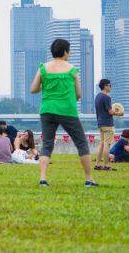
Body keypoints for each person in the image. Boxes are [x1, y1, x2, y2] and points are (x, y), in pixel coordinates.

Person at [30, 38, 96, 187]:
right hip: (67, 110)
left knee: (47, 144)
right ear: (65, 51)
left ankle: (43, 178)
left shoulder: (43, 68)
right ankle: (89, 179)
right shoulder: (72, 69)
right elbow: (78, 94)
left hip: (47, 109)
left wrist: (46, 86)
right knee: (81, 143)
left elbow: (33, 89)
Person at [93, 78, 123, 171]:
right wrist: (120, 113)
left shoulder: (97, 96)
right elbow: (110, 112)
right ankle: (106, 165)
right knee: (107, 145)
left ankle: (97, 164)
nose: (110, 87)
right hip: (108, 124)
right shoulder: (107, 97)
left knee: (101, 144)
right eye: (109, 85)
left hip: (100, 123)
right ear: (105, 86)